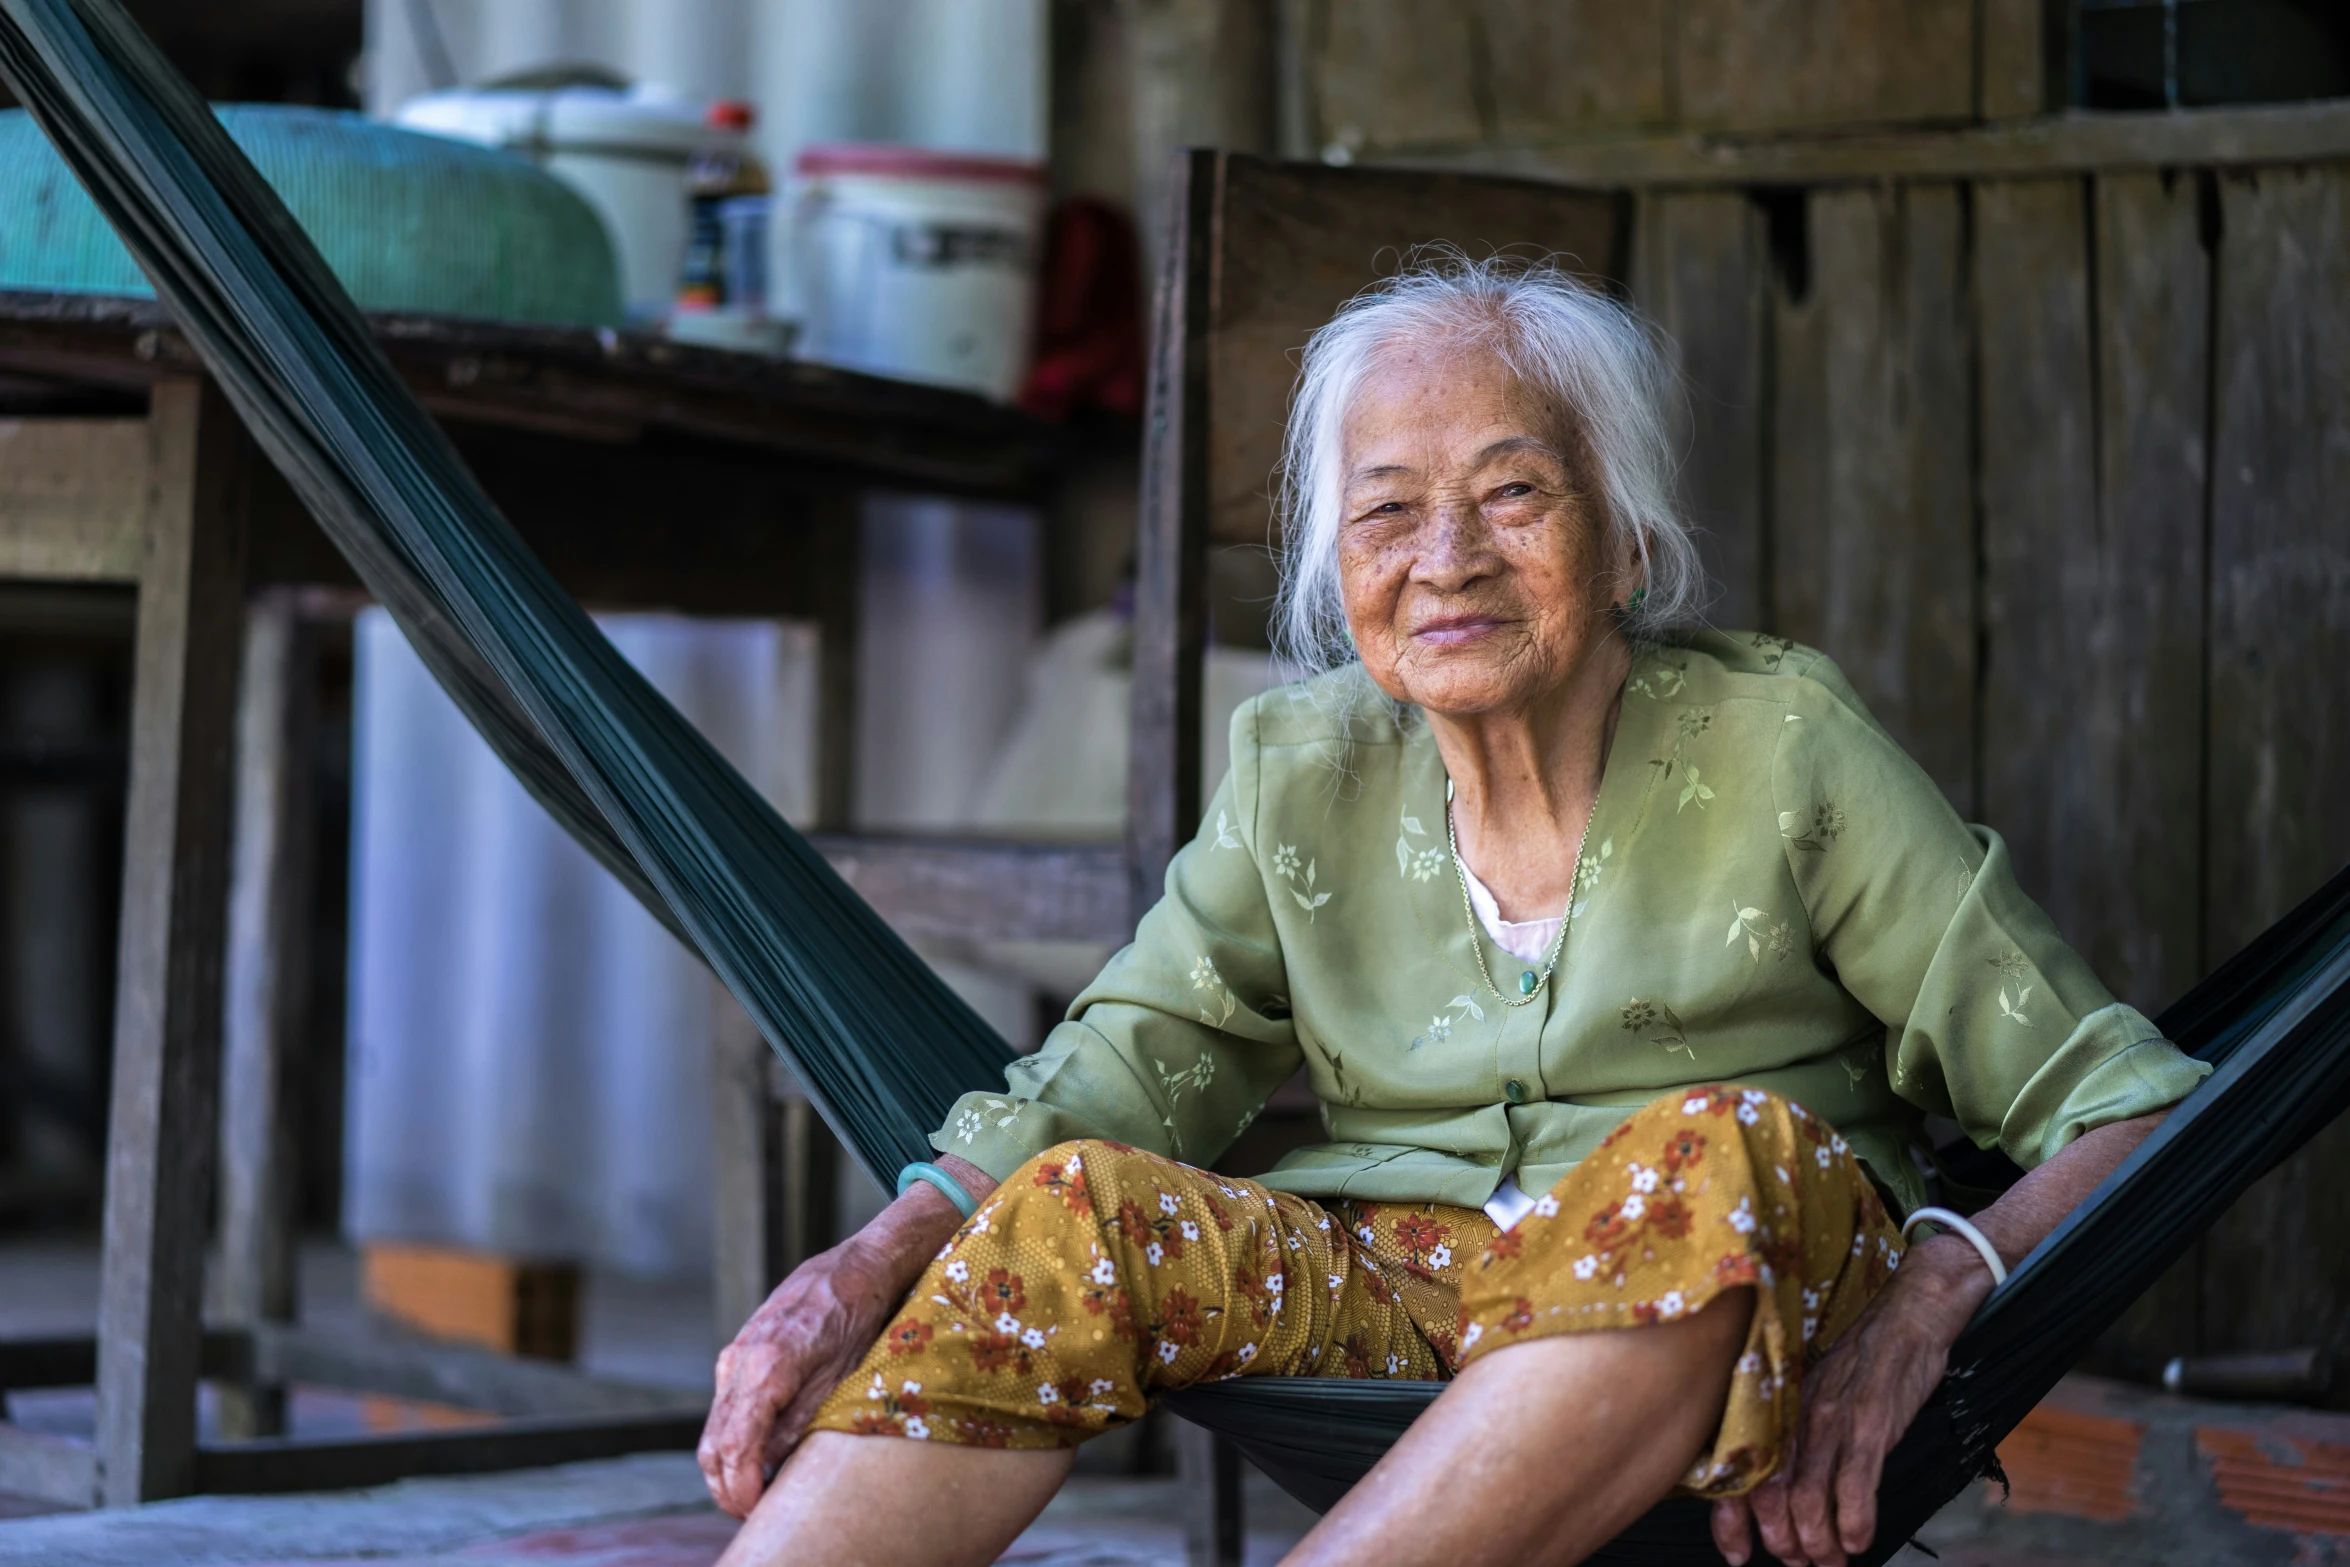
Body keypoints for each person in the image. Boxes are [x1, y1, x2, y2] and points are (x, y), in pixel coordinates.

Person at [696, 255, 2208, 1567]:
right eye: (1387, 511)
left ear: (1620, 539)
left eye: (1511, 492)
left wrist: (1930, 1296)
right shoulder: (1300, 767)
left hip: (1729, 1290)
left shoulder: (1782, 748)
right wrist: (865, 1263)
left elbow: (2127, 1102)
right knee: (1074, 1204)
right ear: (1334, 565)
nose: (1446, 559)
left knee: (1716, 1142)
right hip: (1392, 1298)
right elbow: (1122, 1061)